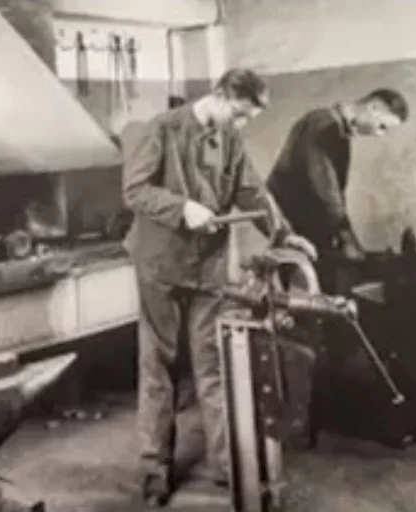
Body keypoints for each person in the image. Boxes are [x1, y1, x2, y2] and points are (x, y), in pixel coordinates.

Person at [121, 68, 317, 507]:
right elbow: (135, 192)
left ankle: (229, 465)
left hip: (208, 267)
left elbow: (253, 193)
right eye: (240, 114)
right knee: (159, 366)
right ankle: (154, 470)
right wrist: (182, 208)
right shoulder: (162, 130)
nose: (242, 124)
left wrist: (284, 235)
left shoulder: (230, 139)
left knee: (213, 364)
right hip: (159, 264)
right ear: (221, 95)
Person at [266, 88, 409, 292]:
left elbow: (333, 192)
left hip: (310, 230)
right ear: (373, 108)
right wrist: (347, 237)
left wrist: (344, 237)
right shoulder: (323, 126)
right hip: (296, 232)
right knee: (307, 299)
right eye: (382, 126)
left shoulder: (337, 130)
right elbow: (325, 188)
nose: (380, 134)